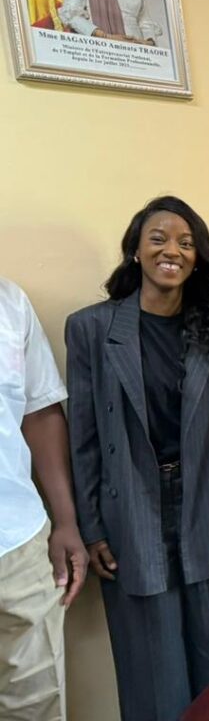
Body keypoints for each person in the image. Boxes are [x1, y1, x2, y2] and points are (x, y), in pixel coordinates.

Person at [65, 196, 209, 720]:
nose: (172, 250)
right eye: (158, 239)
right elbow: (82, 436)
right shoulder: (91, 329)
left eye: (186, 243)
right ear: (135, 251)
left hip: (208, 503)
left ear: (197, 259)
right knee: (153, 667)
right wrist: (92, 526)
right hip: (132, 505)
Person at [0, 278, 87, 721]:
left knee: (36, 704)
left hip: (18, 542)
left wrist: (66, 521)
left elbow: (39, 412)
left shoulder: (10, 302)